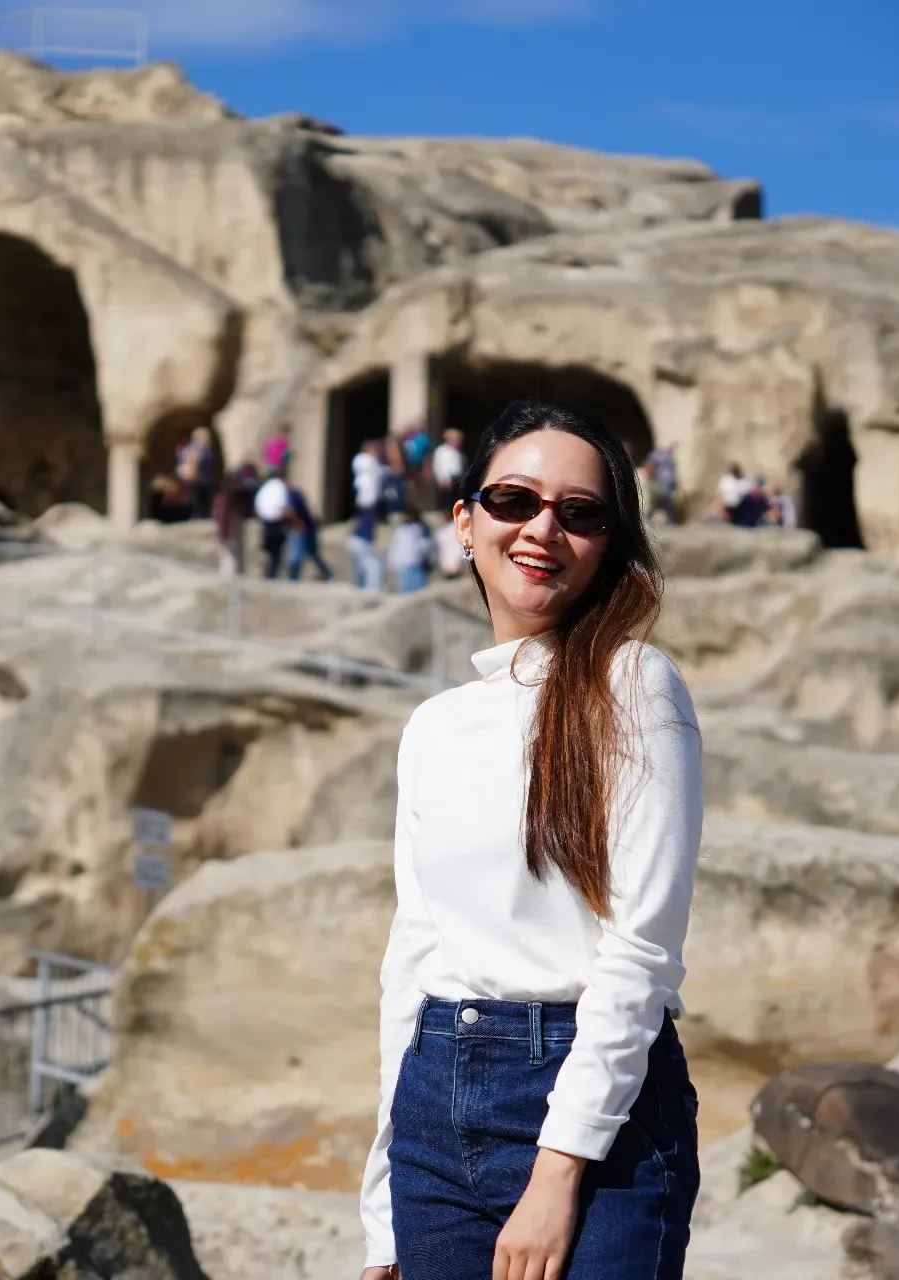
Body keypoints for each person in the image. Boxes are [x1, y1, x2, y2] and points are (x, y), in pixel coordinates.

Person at [360, 398, 702, 1280]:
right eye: (515, 499)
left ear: (608, 544)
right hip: (435, 1097)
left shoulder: (633, 685)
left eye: (580, 512)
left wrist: (559, 1173)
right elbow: (417, 954)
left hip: (598, 1112)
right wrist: (381, 1216)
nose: (543, 528)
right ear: (465, 521)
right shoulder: (435, 725)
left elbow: (641, 952)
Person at [350, 440, 388, 590]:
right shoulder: (364, 460)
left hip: (370, 494)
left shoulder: (370, 462)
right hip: (367, 494)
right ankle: (364, 535)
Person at [213, 460, 258, 578]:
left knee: (238, 563)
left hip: (235, 534)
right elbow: (223, 517)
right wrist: (224, 534)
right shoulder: (224, 499)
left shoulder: (236, 498)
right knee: (230, 563)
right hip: (229, 535)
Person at [286, 480, 337, 582]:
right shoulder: (294, 494)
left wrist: (297, 523)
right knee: (309, 553)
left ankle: (294, 577)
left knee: (300, 554)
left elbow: (291, 511)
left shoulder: (292, 495)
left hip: (302, 528)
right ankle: (327, 574)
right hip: (304, 527)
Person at [254, 469, 292, 580]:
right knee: (277, 551)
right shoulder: (280, 487)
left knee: (269, 550)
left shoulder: (265, 487)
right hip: (277, 521)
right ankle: (272, 574)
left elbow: (257, 504)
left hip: (266, 521)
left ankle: (268, 573)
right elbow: (283, 505)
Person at [386, 512, 434, 594]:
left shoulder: (418, 529)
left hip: (414, 565)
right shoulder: (402, 530)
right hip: (408, 565)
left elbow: (425, 547)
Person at [177, 427, 219, 521]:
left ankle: (204, 515)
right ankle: (199, 515)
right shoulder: (194, 448)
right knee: (197, 497)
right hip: (197, 477)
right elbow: (188, 460)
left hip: (206, 478)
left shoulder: (207, 448)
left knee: (205, 497)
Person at [431, 429, 467, 512]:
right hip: (447, 479)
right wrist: (443, 478)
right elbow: (439, 466)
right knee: (446, 501)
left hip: (457, 478)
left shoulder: (458, 452)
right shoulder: (442, 451)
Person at [648, 443, 679, 526]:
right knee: (658, 503)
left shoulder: (670, 458)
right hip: (660, 484)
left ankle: (669, 522)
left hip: (669, 486)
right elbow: (650, 467)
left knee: (669, 505)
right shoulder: (657, 455)